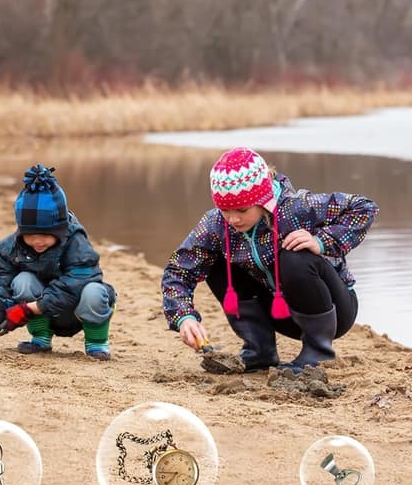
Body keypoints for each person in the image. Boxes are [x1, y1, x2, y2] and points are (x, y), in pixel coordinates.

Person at [161, 147, 378, 372]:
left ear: (263, 199)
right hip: (279, 313)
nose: (233, 219)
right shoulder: (216, 225)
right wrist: (184, 316)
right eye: (225, 209)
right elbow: (178, 270)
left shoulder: (297, 208)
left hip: (334, 311)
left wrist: (321, 240)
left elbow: (364, 208)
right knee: (214, 261)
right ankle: (259, 350)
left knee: (294, 255)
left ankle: (317, 352)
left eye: (242, 210)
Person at [0, 164, 116, 360]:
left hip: (77, 311)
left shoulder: (77, 244)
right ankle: (41, 338)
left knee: (94, 291)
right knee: (23, 281)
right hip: (42, 314)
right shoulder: (9, 247)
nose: (37, 241)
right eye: (30, 235)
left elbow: (73, 286)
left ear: (61, 231)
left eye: (45, 235)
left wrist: (28, 309)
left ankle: (97, 343)